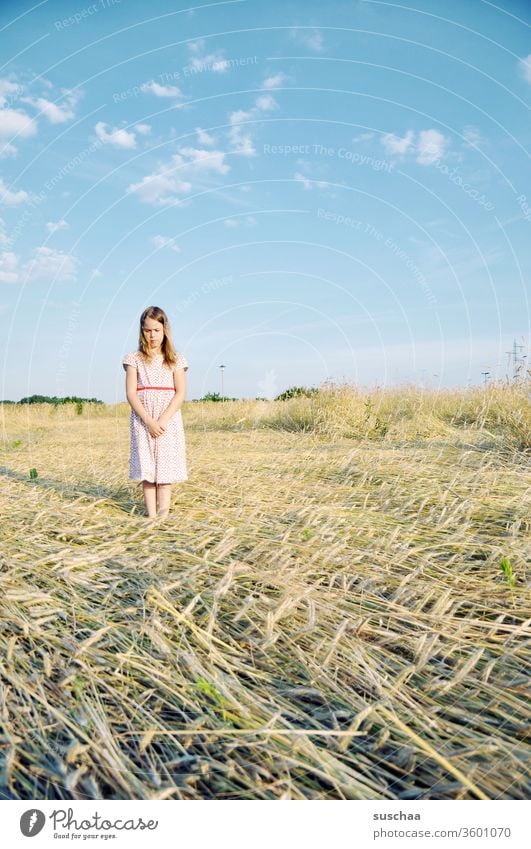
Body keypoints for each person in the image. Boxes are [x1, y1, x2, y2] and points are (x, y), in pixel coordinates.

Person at [122, 306, 189, 519]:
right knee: (147, 470)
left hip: (167, 419)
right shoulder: (134, 359)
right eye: (148, 330)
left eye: (156, 330)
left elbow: (180, 393)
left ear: (164, 330)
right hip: (144, 419)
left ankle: (163, 516)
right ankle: (151, 517)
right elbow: (131, 393)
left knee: (165, 470)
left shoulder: (175, 359)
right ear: (142, 331)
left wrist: (162, 420)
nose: (152, 335)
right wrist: (149, 421)